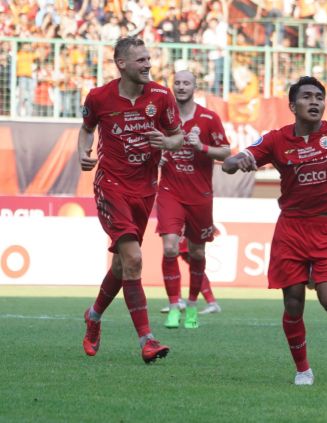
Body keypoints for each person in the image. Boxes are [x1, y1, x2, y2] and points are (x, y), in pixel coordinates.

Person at [221, 76, 327, 385]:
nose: (315, 101)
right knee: (292, 302)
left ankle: (316, 274)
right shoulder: (276, 140)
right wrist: (235, 162)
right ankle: (303, 369)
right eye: (307, 97)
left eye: (319, 96)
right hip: (291, 229)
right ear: (292, 105)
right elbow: (242, 157)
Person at [78, 36, 184, 363]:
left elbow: (178, 136)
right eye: (141, 60)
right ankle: (147, 340)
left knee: (124, 263)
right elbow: (86, 128)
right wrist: (82, 151)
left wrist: (167, 143)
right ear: (121, 64)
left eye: (149, 59)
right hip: (111, 185)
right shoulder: (99, 97)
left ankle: (94, 316)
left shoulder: (162, 97)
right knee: (135, 259)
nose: (148, 65)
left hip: (145, 188)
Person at [157, 69, 230, 329]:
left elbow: (226, 151)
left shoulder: (209, 118)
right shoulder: (163, 116)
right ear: (172, 86)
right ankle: (174, 305)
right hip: (170, 191)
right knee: (170, 248)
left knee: (197, 253)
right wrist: (158, 155)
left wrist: (201, 147)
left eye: (186, 83)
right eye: (177, 83)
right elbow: (149, 144)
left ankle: (191, 305)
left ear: (194, 87)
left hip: (199, 195)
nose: (181, 87)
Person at [159, 226, 223, 316]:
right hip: (179, 225)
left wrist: (209, 223)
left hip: (185, 226)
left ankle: (209, 302)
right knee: (178, 256)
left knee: (188, 258)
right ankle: (180, 301)